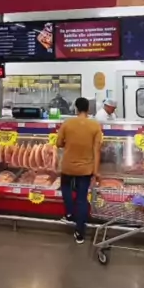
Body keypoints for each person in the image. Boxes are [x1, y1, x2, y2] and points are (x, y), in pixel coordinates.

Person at [56, 96, 103, 245]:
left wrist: (69, 142)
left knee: (65, 188)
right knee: (82, 199)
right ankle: (80, 233)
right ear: (88, 109)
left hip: (68, 166)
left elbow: (58, 143)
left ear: (75, 108)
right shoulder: (95, 126)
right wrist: (96, 171)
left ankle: (70, 213)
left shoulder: (67, 123)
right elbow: (97, 150)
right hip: (85, 169)